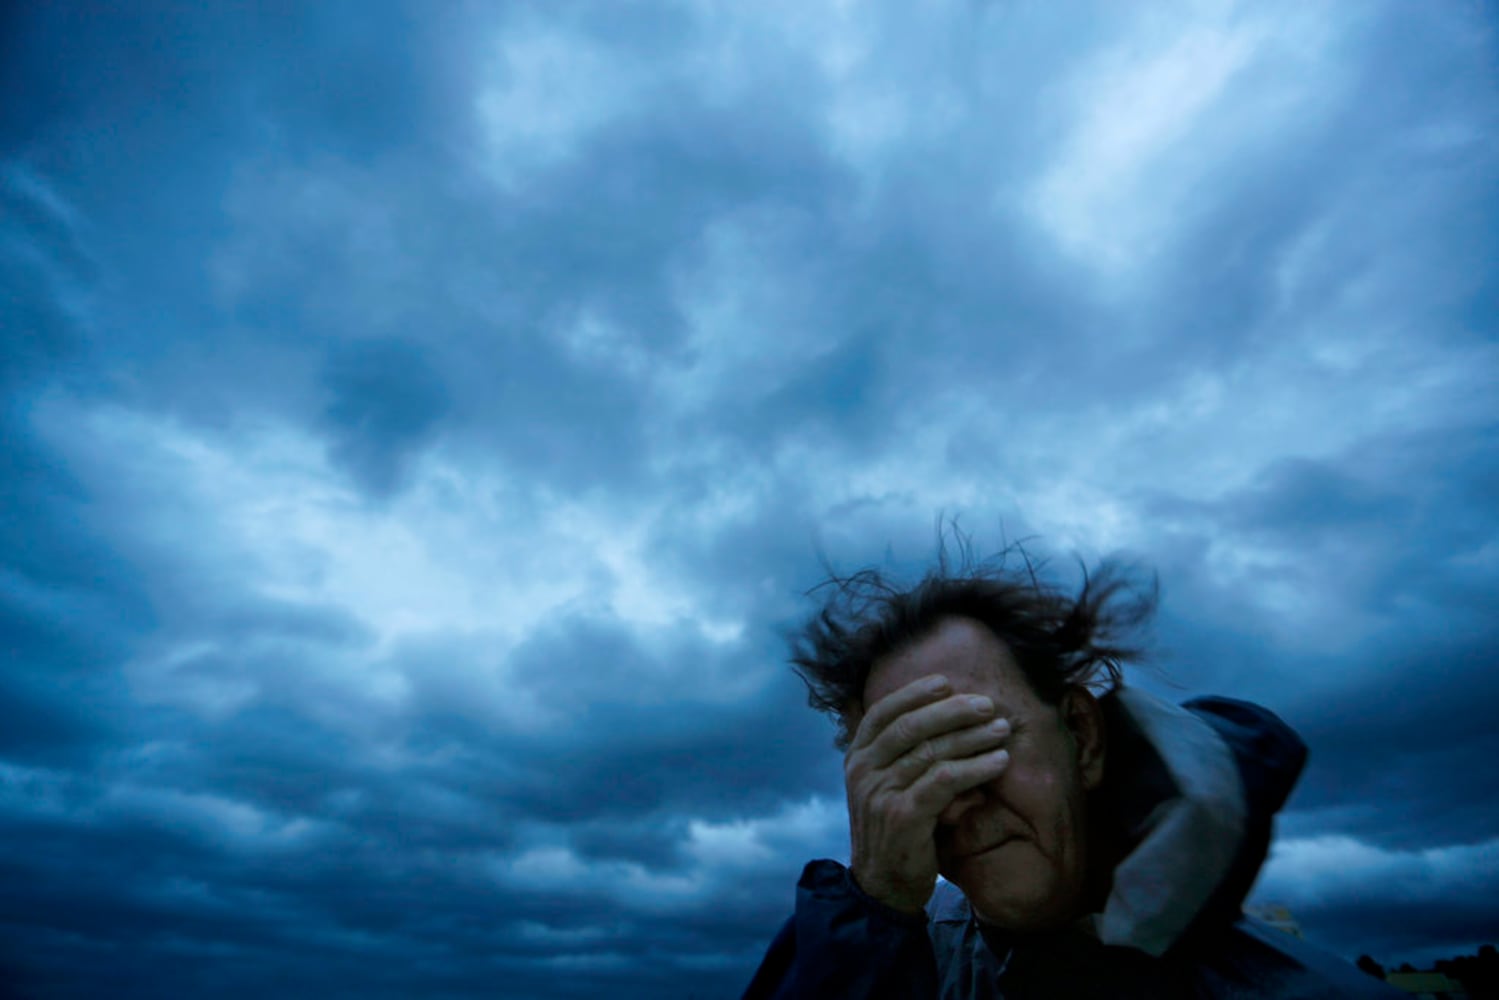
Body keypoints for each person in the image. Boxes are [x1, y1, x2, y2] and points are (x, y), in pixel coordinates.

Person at [743, 544, 1400, 998]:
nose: (952, 801)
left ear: (1082, 736)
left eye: (973, 738)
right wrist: (872, 913)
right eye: (909, 763)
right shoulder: (896, 963)